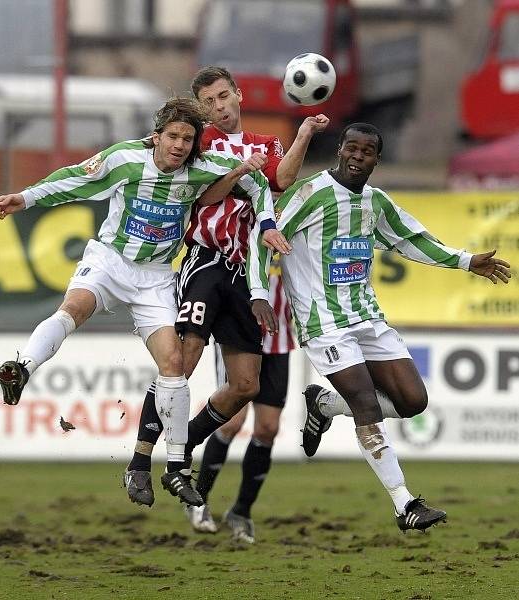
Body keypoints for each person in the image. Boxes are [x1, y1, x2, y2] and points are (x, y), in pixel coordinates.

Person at [0, 97, 289, 507]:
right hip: (111, 261)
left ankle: (175, 468)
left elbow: (257, 186)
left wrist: (268, 223)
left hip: (155, 278)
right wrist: (24, 198)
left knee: (173, 365)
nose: (180, 145)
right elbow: (76, 178)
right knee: (73, 309)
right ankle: (23, 368)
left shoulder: (204, 167)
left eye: (187, 138)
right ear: (157, 136)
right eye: (173, 137)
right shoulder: (125, 159)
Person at [274, 122, 512, 532]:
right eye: (351, 148)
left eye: (366, 152)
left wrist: (466, 261)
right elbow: (269, 237)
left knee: (412, 402)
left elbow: (411, 238)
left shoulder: (375, 202)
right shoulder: (310, 193)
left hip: (367, 318)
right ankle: (405, 504)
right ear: (341, 150)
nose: (356, 156)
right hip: (324, 322)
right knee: (367, 405)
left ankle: (323, 405)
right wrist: (260, 294)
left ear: (376, 159)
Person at [125, 66, 327, 518]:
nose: (219, 107)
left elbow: (282, 180)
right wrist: (239, 171)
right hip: (203, 261)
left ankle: (183, 452)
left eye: (222, 97)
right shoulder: (200, 144)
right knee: (182, 362)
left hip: (242, 270)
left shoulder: (264, 143)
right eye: (209, 103)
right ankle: (141, 460)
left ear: (237, 94)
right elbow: (210, 200)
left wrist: (305, 134)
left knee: (245, 385)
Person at [187, 259, 294, 544]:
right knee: (233, 421)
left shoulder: (295, 225)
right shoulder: (247, 223)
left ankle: (241, 512)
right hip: (240, 336)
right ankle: (198, 500)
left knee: (268, 429)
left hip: (279, 341)